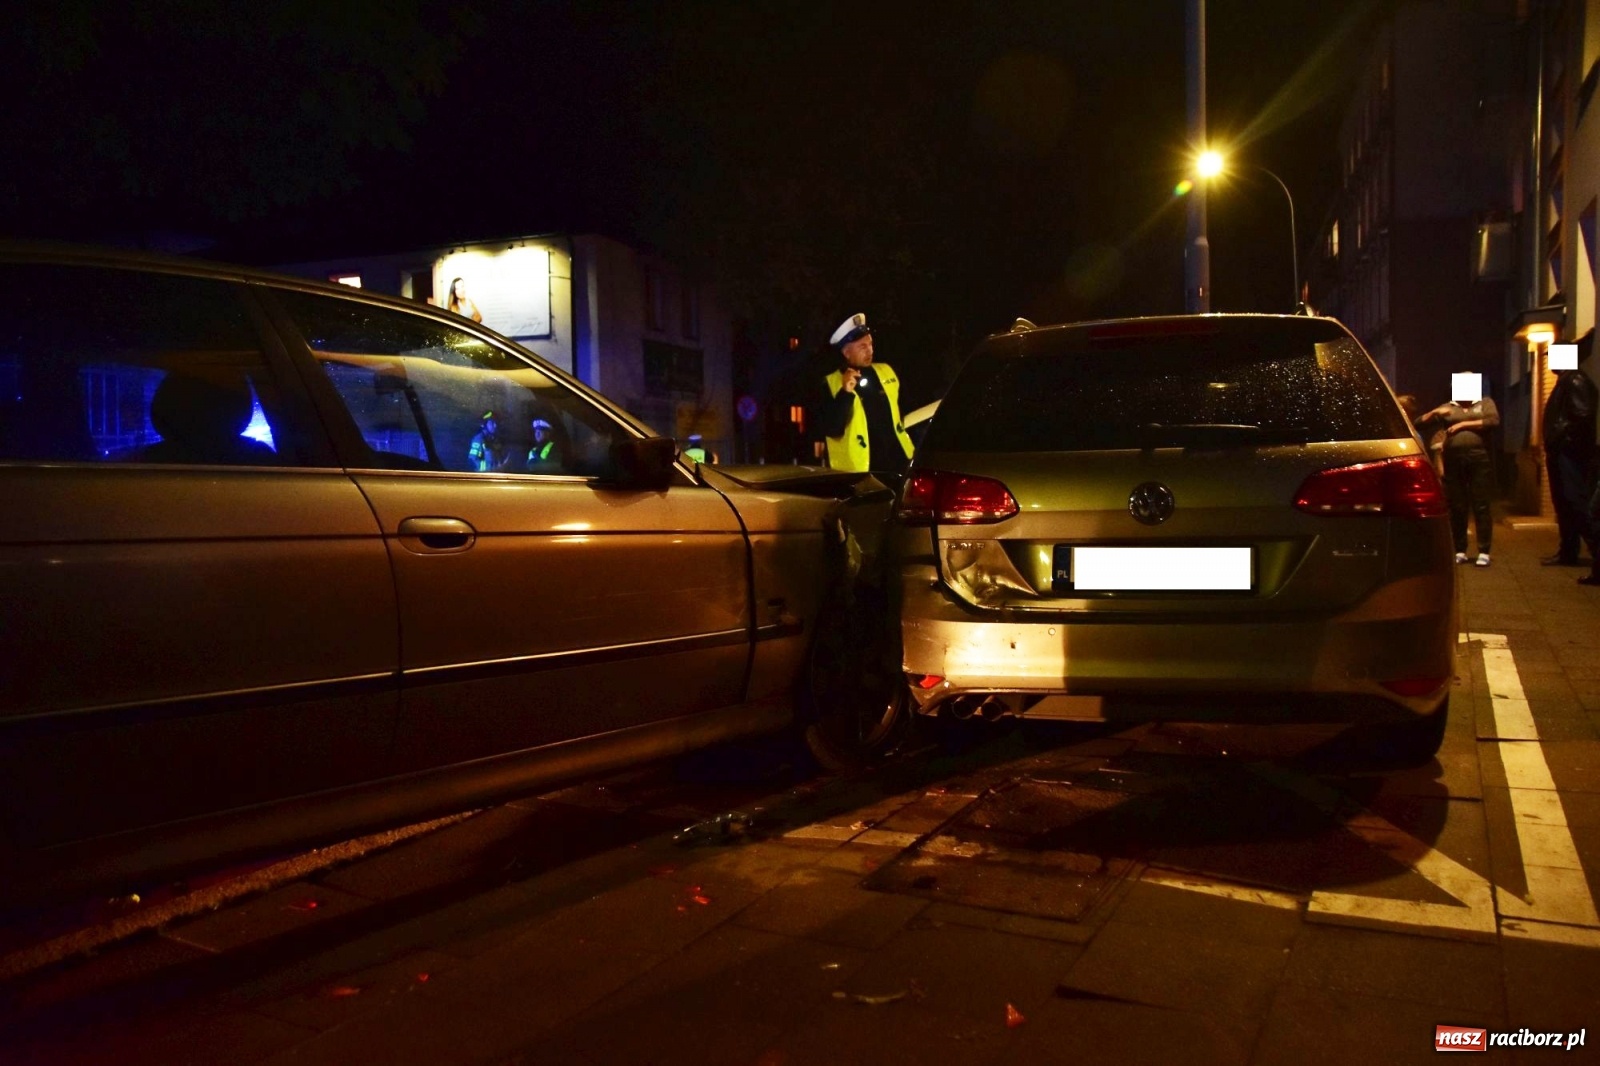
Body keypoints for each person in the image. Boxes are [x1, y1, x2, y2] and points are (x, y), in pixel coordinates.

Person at [813, 312, 914, 475]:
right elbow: (832, 429)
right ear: (846, 353)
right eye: (862, 347)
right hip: (858, 473)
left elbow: (904, 415)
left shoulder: (886, 371)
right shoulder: (830, 383)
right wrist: (845, 393)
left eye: (870, 344)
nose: (870, 351)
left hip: (898, 466)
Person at [1418, 387, 1500, 567]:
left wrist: (1462, 425)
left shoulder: (1484, 403)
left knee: (1481, 504)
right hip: (1453, 459)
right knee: (1457, 505)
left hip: (1479, 458)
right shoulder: (1449, 407)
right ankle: (1460, 549)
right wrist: (1434, 412)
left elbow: (1493, 421)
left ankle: (1484, 551)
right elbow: (1419, 424)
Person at [1542, 330, 1598, 567]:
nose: (1550, 362)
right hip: (1562, 453)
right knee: (1564, 504)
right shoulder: (1566, 380)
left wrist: (1560, 436)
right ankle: (1568, 551)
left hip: (1570, 454)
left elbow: (1583, 415)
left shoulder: (1575, 381)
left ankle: (1596, 553)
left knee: (1575, 503)